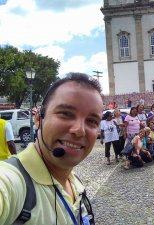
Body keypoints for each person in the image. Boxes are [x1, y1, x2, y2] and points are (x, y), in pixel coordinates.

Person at [0, 72, 102, 224]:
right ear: (38, 119)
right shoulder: (11, 182)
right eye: (66, 114)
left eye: (92, 121)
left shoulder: (76, 184)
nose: (80, 130)